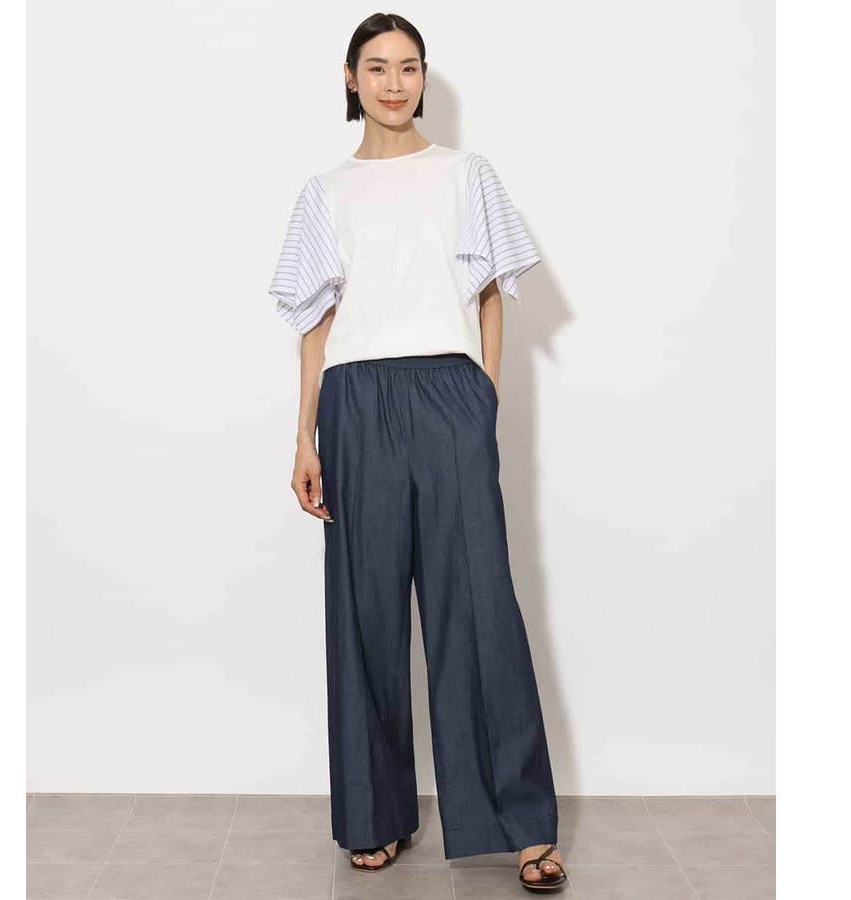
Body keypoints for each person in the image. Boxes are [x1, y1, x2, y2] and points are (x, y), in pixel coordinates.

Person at [267, 12, 568, 894]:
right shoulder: (324, 193)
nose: (394, 83)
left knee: (479, 605)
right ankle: (375, 817)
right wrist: (303, 437)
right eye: (377, 67)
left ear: (424, 77)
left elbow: (491, 293)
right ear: (350, 78)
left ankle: (521, 825)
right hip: (355, 400)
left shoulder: (467, 174)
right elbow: (316, 323)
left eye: (408, 67)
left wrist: (484, 395)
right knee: (364, 613)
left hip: (447, 392)